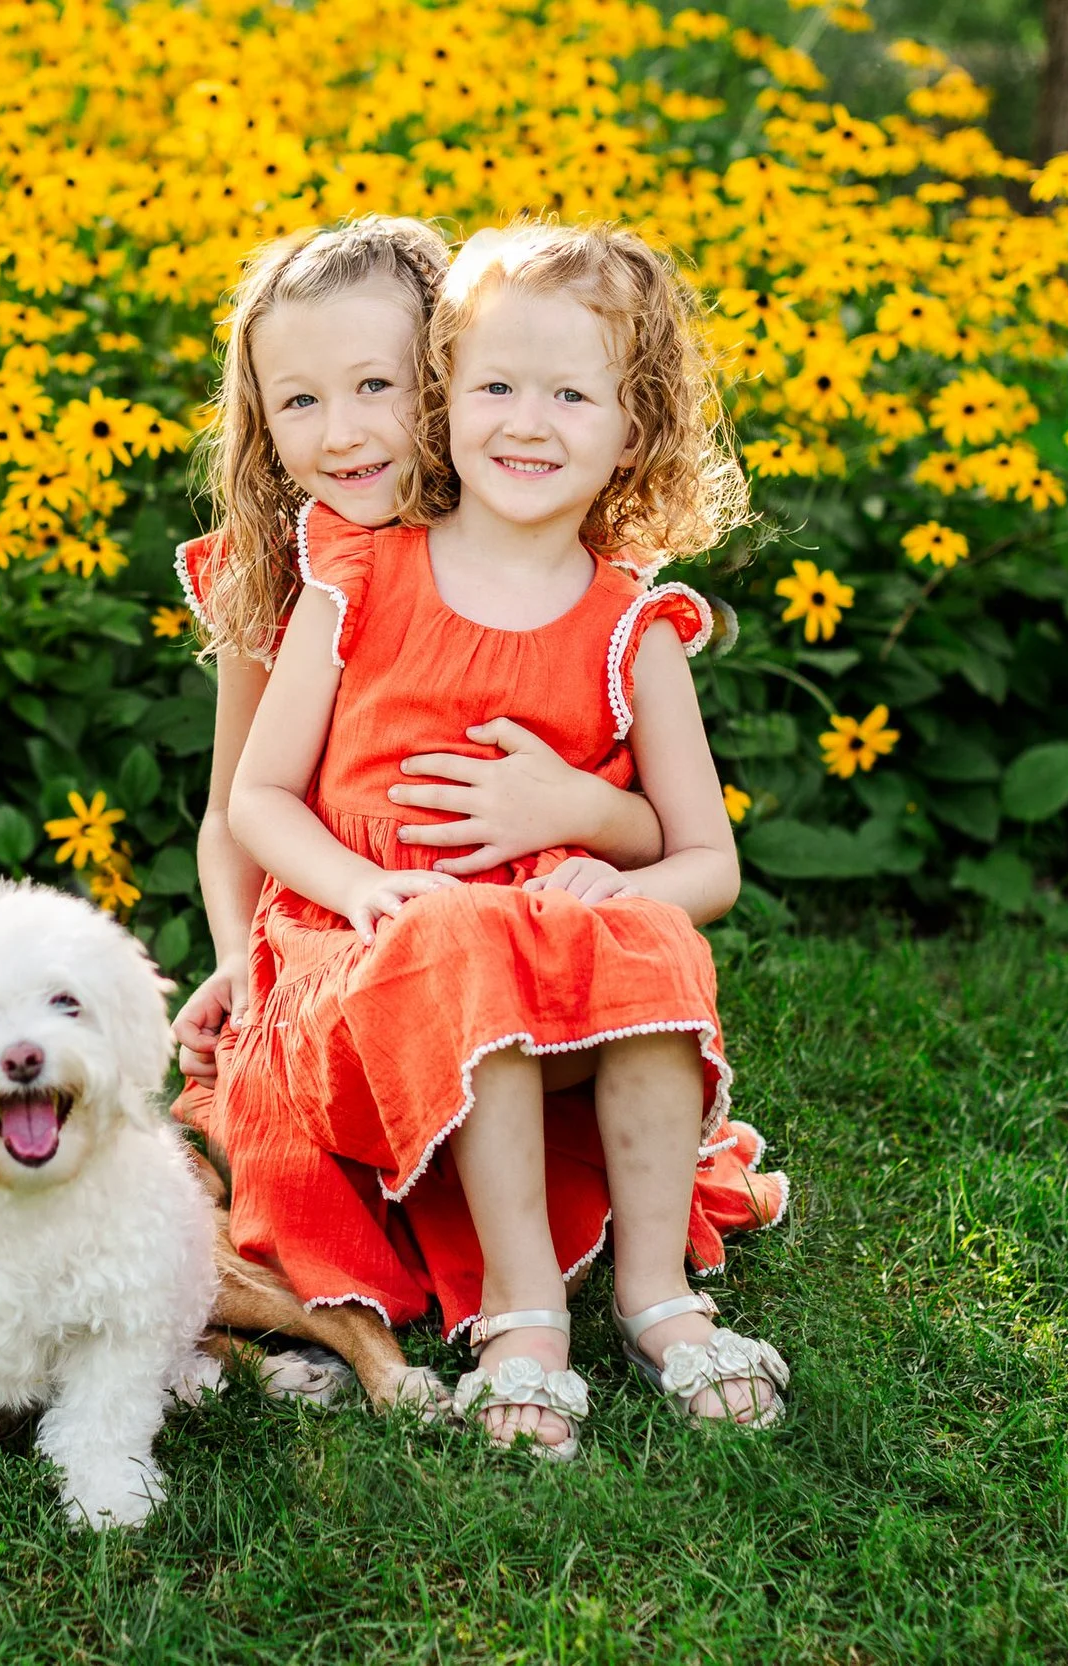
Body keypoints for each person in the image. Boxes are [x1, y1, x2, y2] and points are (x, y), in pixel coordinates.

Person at [218, 217, 791, 1457]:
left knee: (648, 943)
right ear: (448, 397)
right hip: (373, 947)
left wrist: (603, 849)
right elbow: (257, 800)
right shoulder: (354, 581)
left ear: (631, 434)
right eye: (494, 388)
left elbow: (707, 865)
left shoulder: (631, 625)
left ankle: (658, 1300)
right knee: (462, 937)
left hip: (544, 941)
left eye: (570, 396)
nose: (526, 423)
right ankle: (522, 1317)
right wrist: (364, 887)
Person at [171, 215, 675, 1389]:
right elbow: (237, 804)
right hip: (349, 924)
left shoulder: (548, 548)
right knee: (268, 1152)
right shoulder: (283, 575)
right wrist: (239, 962)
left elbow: (658, 828)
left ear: (445, 377)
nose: (339, 434)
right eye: (296, 402)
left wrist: (571, 808)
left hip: (516, 941)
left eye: (376, 388)